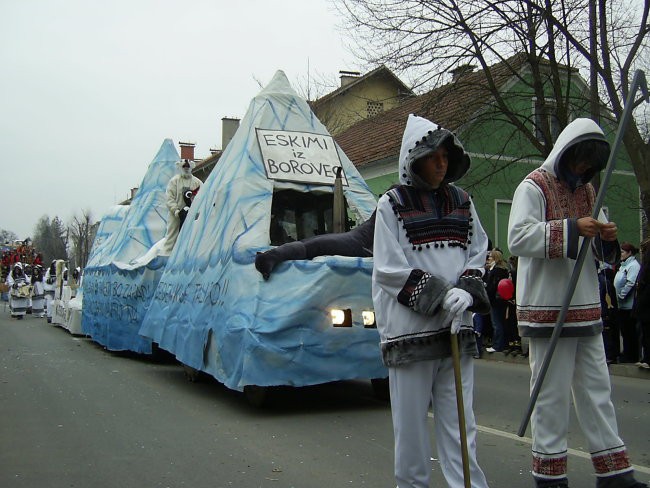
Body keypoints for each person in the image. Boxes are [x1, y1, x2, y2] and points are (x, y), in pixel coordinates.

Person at [508, 118, 647, 488]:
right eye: (579, 160)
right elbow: (517, 237)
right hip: (547, 308)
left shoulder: (588, 192)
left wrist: (607, 235)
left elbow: (597, 237)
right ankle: (550, 476)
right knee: (551, 395)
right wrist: (572, 228)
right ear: (567, 153)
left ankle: (614, 471)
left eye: (590, 164)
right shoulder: (533, 187)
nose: (583, 169)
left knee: (597, 389)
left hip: (584, 304)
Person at [372, 114, 491, 488]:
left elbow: (478, 251)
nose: (441, 163)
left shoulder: (463, 202)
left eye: (445, 156)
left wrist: (467, 291)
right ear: (414, 158)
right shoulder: (391, 204)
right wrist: (441, 296)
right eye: (433, 156)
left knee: (461, 424)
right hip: (411, 333)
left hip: (457, 330)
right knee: (410, 430)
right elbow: (389, 269)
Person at [161, 159, 202, 255]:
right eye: (184, 167)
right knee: (172, 236)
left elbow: (203, 197)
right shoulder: (174, 181)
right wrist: (176, 211)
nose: (186, 169)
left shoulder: (197, 183)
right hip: (176, 216)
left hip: (192, 216)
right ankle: (167, 256)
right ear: (180, 167)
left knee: (193, 237)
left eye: (188, 167)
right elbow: (169, 198)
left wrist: (197, 212)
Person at [614, 242, 640, 363]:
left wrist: (621, 295)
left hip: (629, 305)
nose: (621, 254)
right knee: (625, 331)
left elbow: (631, 283)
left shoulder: (633, 265)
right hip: (622, 306)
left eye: (623, 252)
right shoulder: (623, 265)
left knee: (630, 332)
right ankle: (627, 353)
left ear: (629, 253)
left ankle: (631, 355)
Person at [485, 249, 510, 353]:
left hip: (494, 301)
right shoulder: (504, 270)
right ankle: (503, 344)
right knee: (501, 322)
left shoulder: (495, 271)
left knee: (496, 323)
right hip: (503, 300)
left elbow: (491, 287)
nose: (488, 259)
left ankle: (497, 345)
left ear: (495, 258)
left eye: (490, 257)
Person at [633, 239, 650, 369]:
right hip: (644, 298)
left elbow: (644, 276)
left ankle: (648, 358)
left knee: (646, 329)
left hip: (646, 298)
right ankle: (646, 358)